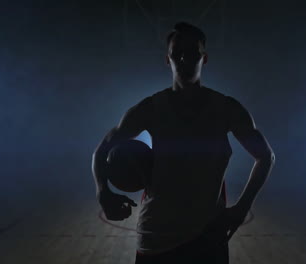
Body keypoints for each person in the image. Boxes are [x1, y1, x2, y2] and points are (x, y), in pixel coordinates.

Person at [91, 22, 275, 264]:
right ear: (168, 59)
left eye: (192, 52)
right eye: (178, 52)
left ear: (204, 57)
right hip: (156, 236)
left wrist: (241, 208)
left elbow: (265, 157)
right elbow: (102, 150)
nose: (185, 58)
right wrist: (102, 191)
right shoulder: (151, 108)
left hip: (207, 236)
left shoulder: (226, 109)